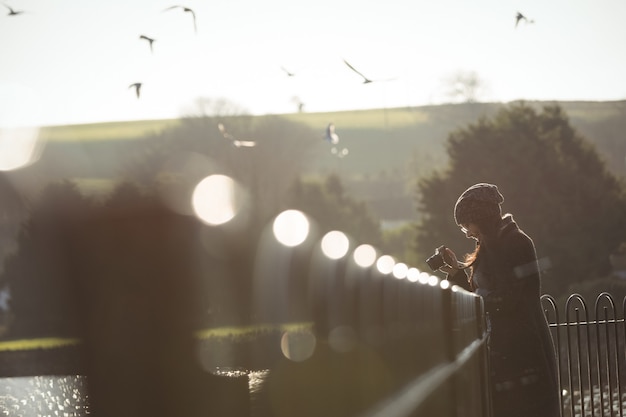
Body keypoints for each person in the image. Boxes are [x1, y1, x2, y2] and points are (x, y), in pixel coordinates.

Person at [438, 183, 560, 417]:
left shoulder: (517, 243)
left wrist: (480, 298)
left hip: (523, 350)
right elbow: (482, 297)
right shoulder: (488, 247)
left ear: (480, 218)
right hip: (503, 350)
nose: (468, 232)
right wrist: (457, 273)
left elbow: (507, 299)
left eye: (466, 225)